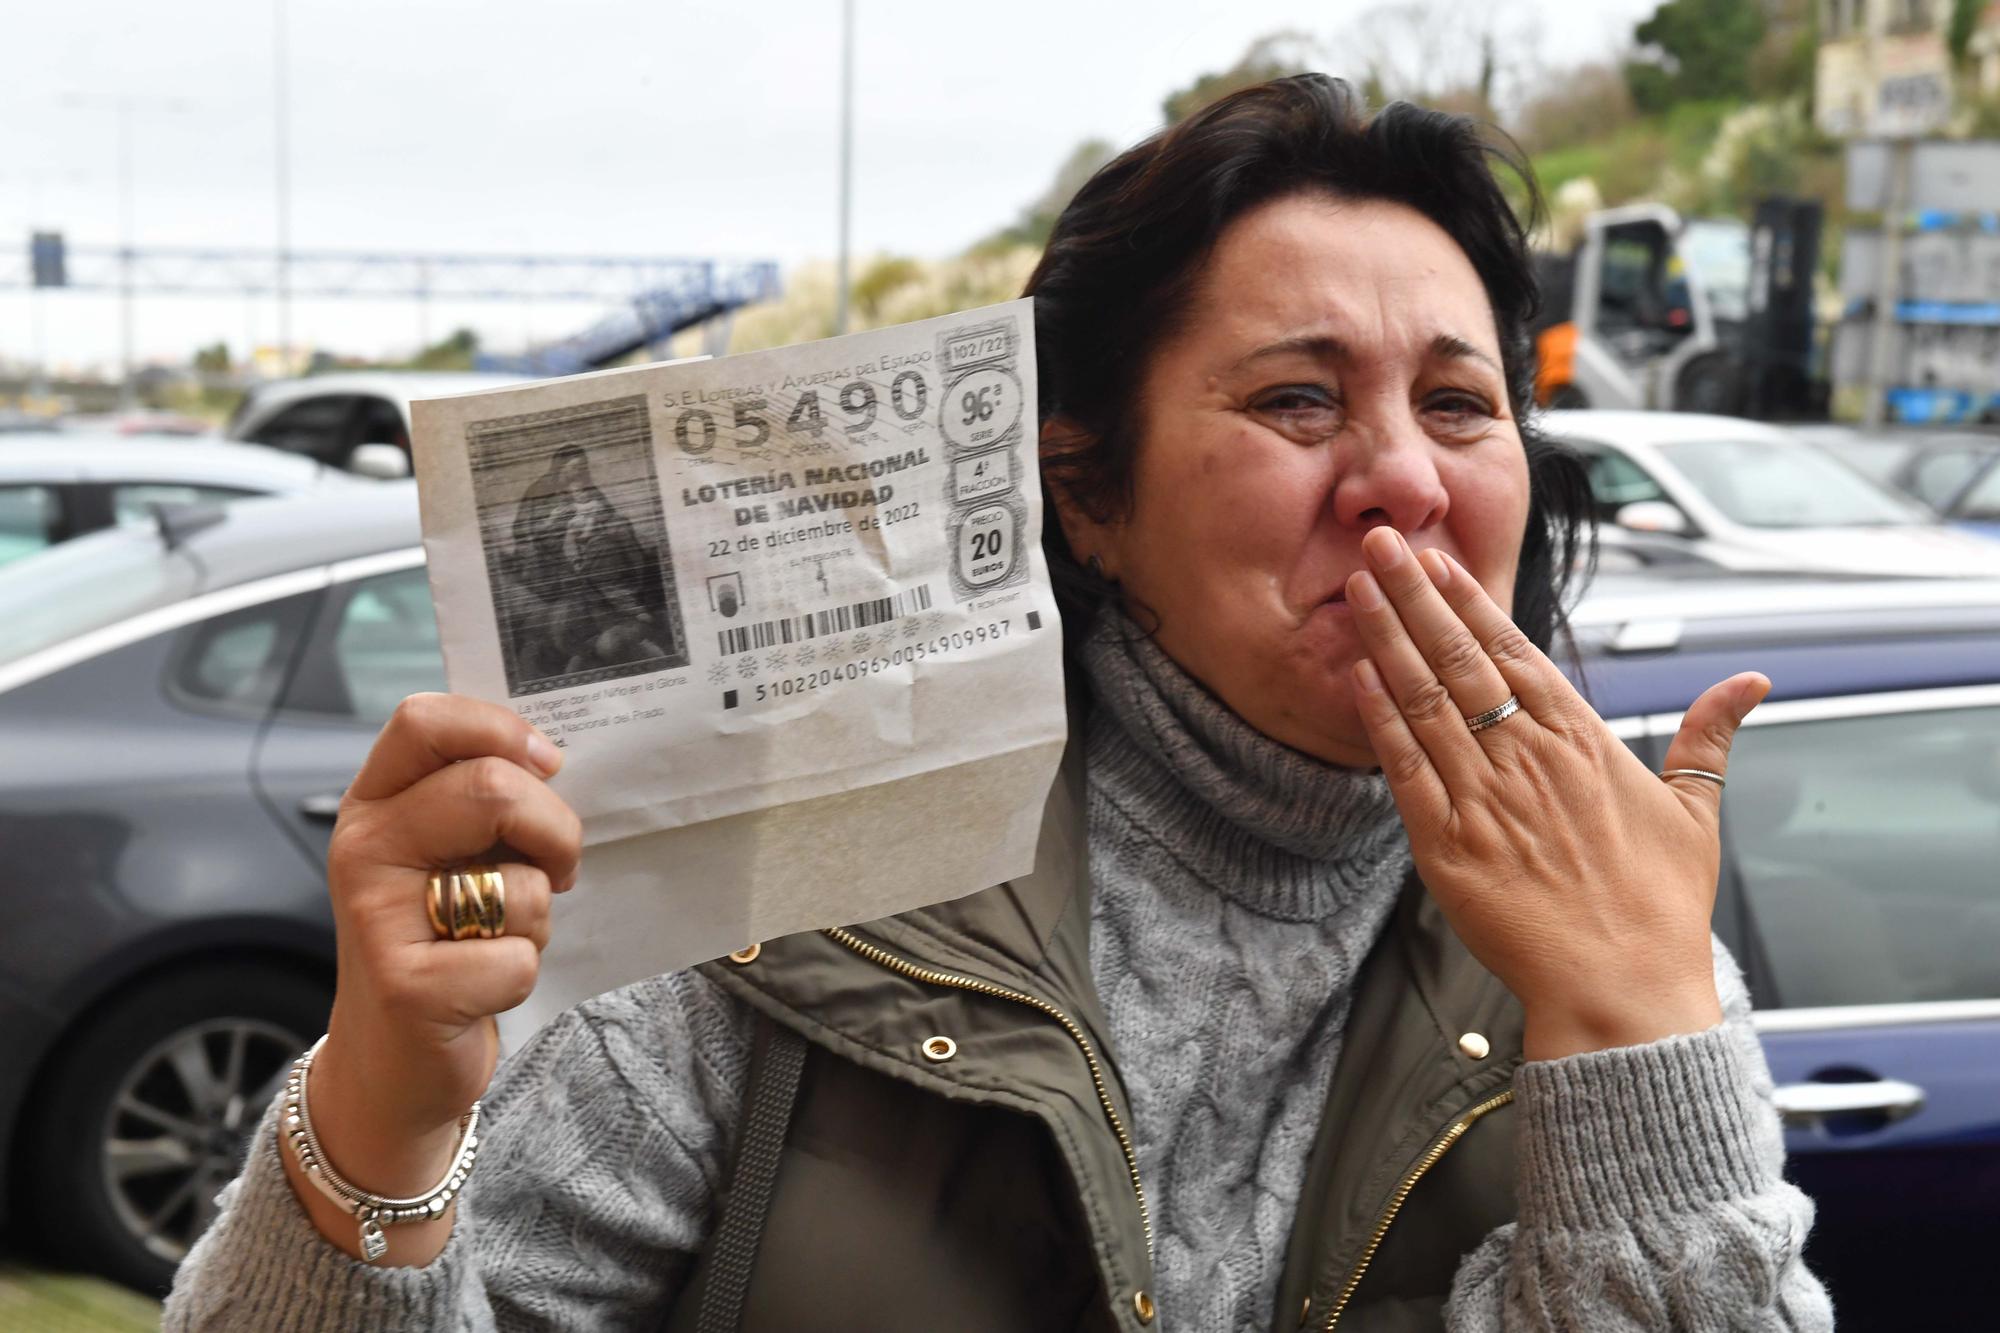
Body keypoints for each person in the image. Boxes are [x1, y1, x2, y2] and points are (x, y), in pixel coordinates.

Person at [164, 77, 1832, 1332]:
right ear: (1083, 494)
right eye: (1299, 397)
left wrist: (1641, 1036)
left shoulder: (1621, 933)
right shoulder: (778, 883)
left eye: (1460, 405)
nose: (1399, 478)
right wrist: (385, 1102)